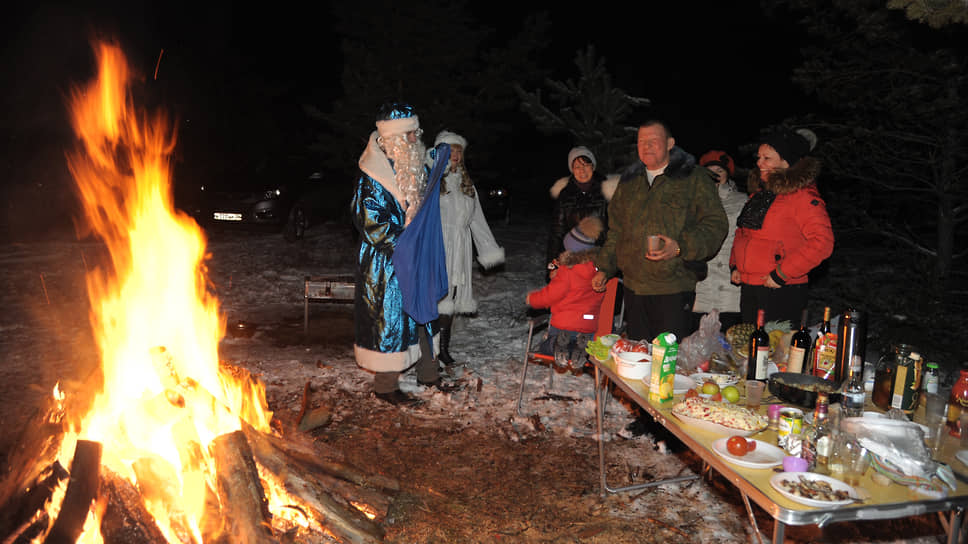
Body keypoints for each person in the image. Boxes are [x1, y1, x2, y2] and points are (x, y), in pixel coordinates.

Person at [592, 120, 728, 343]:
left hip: (673, 287)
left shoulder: (692, 179)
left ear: (670, 144)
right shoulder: (629, 183)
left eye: (653, 140)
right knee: (637, 360)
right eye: (641, 141)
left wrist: (680, 246)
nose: (646, 146)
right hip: (634, 287)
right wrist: (605, 268)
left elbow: (716, 224)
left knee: (667, 364)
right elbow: (616, 230)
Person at [351, 102, 451, 406]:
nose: (414, 140)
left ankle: (429, 372)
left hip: (415, 253)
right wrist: (403, 243)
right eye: (409, 134)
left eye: (415, 133)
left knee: (424, 313)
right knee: (392, 321)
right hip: (387, 261)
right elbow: (368, 218)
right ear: (390, 138)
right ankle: (385, 387)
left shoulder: (414, 166)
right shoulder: (372, 174)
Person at [730, 127, 833, 325]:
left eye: (767, 158)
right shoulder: (761, 194)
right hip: (750, 287)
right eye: (759, 157)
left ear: (786, 162)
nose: (759, 163)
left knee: (773, 354)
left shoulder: (803, 196)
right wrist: (735, 265)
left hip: (781, 290)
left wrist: (781, 273)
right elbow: (743, 233)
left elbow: (823, 242)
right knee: (749, 353)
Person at [431, 130, 505, 367]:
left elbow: (477, 220)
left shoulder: (466, 185)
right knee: (434, 298)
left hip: (460, 249)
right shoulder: (431, 180)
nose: (455, 154)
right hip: (437, 246)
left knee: (450, 297)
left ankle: (443, 348)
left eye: (458, 150)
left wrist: (488, 250)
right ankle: (427, 350)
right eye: (450, 149)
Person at [526, 216, 606, 374]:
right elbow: (601, 295)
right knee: (581, 339)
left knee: (546, 346)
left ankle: (556, 342)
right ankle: (582, 345)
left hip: (563, 323)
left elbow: (551, 295)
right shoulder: (599, 271)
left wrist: (532, 299)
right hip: (588, 326)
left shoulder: (567, 271)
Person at [692, 150, 746, 332]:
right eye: (709, 171)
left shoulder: (742, 201)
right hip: (700, 286)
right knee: (695, 346)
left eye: (719, 171)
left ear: (727, 175)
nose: (714, 175)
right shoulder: (691, 201)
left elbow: (745, 240)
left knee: (726, 349)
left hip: (729, 288)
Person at [546, 146, 618, 266]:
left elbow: (616, 230)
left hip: (601, 260)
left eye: (586, 165)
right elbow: (556, 233)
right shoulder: (565, 195)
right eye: (577, 167)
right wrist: (552, 266)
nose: (582, 171)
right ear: (572, 170)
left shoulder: (608, 191)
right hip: (572, 260)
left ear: (593, 166)